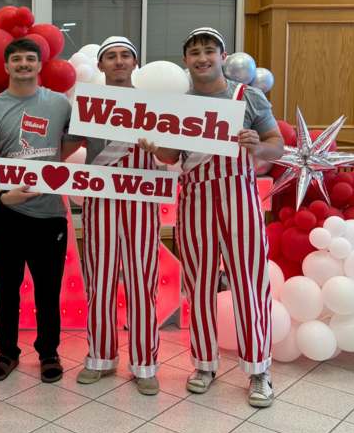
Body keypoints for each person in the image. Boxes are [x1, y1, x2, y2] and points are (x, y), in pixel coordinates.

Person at [148, 27, 284, 407]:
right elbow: (171, 157)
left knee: (250, 284)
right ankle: (204, 364)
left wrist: (260, 145)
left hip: (241, 199)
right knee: (200, 284)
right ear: (186, 61)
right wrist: (154, 144)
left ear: (223, 56)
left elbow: (277, 145)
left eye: (209, 50)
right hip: (195, 202)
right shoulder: (180, 103)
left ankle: (259, 370)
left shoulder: (248, 96)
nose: (202, 58)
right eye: (195, 52)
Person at [0, 38, 80, 384]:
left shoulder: (60, 104)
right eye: (16, 59)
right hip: (6, 213)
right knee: (7, 287)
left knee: (48, 289)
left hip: (50, 215)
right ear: (6, 66)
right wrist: (4, 196)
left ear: (39, 66)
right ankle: (7, 351)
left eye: (29, 59)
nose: (23, 64)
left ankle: (49, 352)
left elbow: (70, 145)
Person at [73, 37, 162, 395]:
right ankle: (100, 358)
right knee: (101, 281)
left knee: (143, 283)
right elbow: (70, 143)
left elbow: (171, 153)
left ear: (135, 62)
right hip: (101, 201)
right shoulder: (88, 102)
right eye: (111, 56)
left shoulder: (156, 104)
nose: (119, 61)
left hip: (141, 201)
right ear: (101, 65)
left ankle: (145, 364)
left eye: (125, 55)